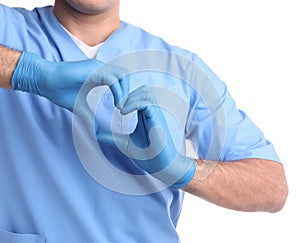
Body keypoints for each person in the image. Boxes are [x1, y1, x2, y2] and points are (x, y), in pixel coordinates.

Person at [0, 1, 288, 242]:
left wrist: (181, 170)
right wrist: (29, 72)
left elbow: (272, 185)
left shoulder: (179, 69)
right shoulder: (9, 30)